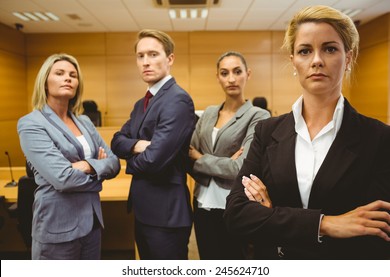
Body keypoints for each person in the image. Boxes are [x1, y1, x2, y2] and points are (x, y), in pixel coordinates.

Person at [224, 5, 390, 259]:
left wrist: (272, 213)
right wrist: (327, 223)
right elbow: (237, 214)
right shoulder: (267, 132)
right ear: (293, 60)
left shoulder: (378, 138)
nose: (316, 60)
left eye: (330, 48)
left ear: (349, 57)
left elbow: (375, 232)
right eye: (305, 51)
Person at [17, 53, 121, 260]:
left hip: (91, 224)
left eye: (73, 75)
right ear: (45, 82)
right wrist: (98, 168)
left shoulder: (85, 122)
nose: (68, 78)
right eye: (60, 73)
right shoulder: (31, 123)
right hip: (57, 228)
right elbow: (63, 178)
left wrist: (84, 166)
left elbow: (114, 163)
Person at [111, 29, 195, 260]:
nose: (146, 62)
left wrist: (129, 159)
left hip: (166, 215)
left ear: (170, 59)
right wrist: (138, 145)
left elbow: (154, 161)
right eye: (140, 56)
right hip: (144, 211)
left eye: (153, 54)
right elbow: (116, 141)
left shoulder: (177, 99)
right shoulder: (142, 103)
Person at [188, 51, 270, 259]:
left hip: (234, 207)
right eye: (224, 73)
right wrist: (223, 162)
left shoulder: (259, 116)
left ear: (248, 74)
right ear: (218, 77)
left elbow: (240, 168)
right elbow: (187, 158)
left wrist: (201, 157)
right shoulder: (207, 114)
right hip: (202, 203)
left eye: (237, 71)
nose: (231, 79)